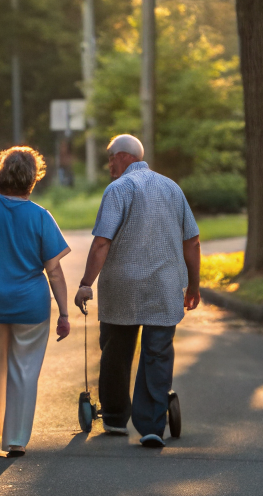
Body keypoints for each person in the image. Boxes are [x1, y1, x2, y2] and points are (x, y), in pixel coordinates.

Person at [75, 134, 201, 448]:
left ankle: (116, 419)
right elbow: (193, 241)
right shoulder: (172, 188)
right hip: (164, 286)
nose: (108, 165)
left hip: (122, 288)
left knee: (116, 353)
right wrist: (194, 285)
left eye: (110, 158)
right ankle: (151, 427)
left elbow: (102, 241)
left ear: (124, 157)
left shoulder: (118, 190)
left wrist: (86, 283)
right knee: (157, 354)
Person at [0, 145, 71, 456]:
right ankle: (15, 439)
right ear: (33, 179)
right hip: (28, 306)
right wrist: (64, 313)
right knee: (23, 369)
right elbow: (55, 272)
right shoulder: (41, 217)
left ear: (0, 175)